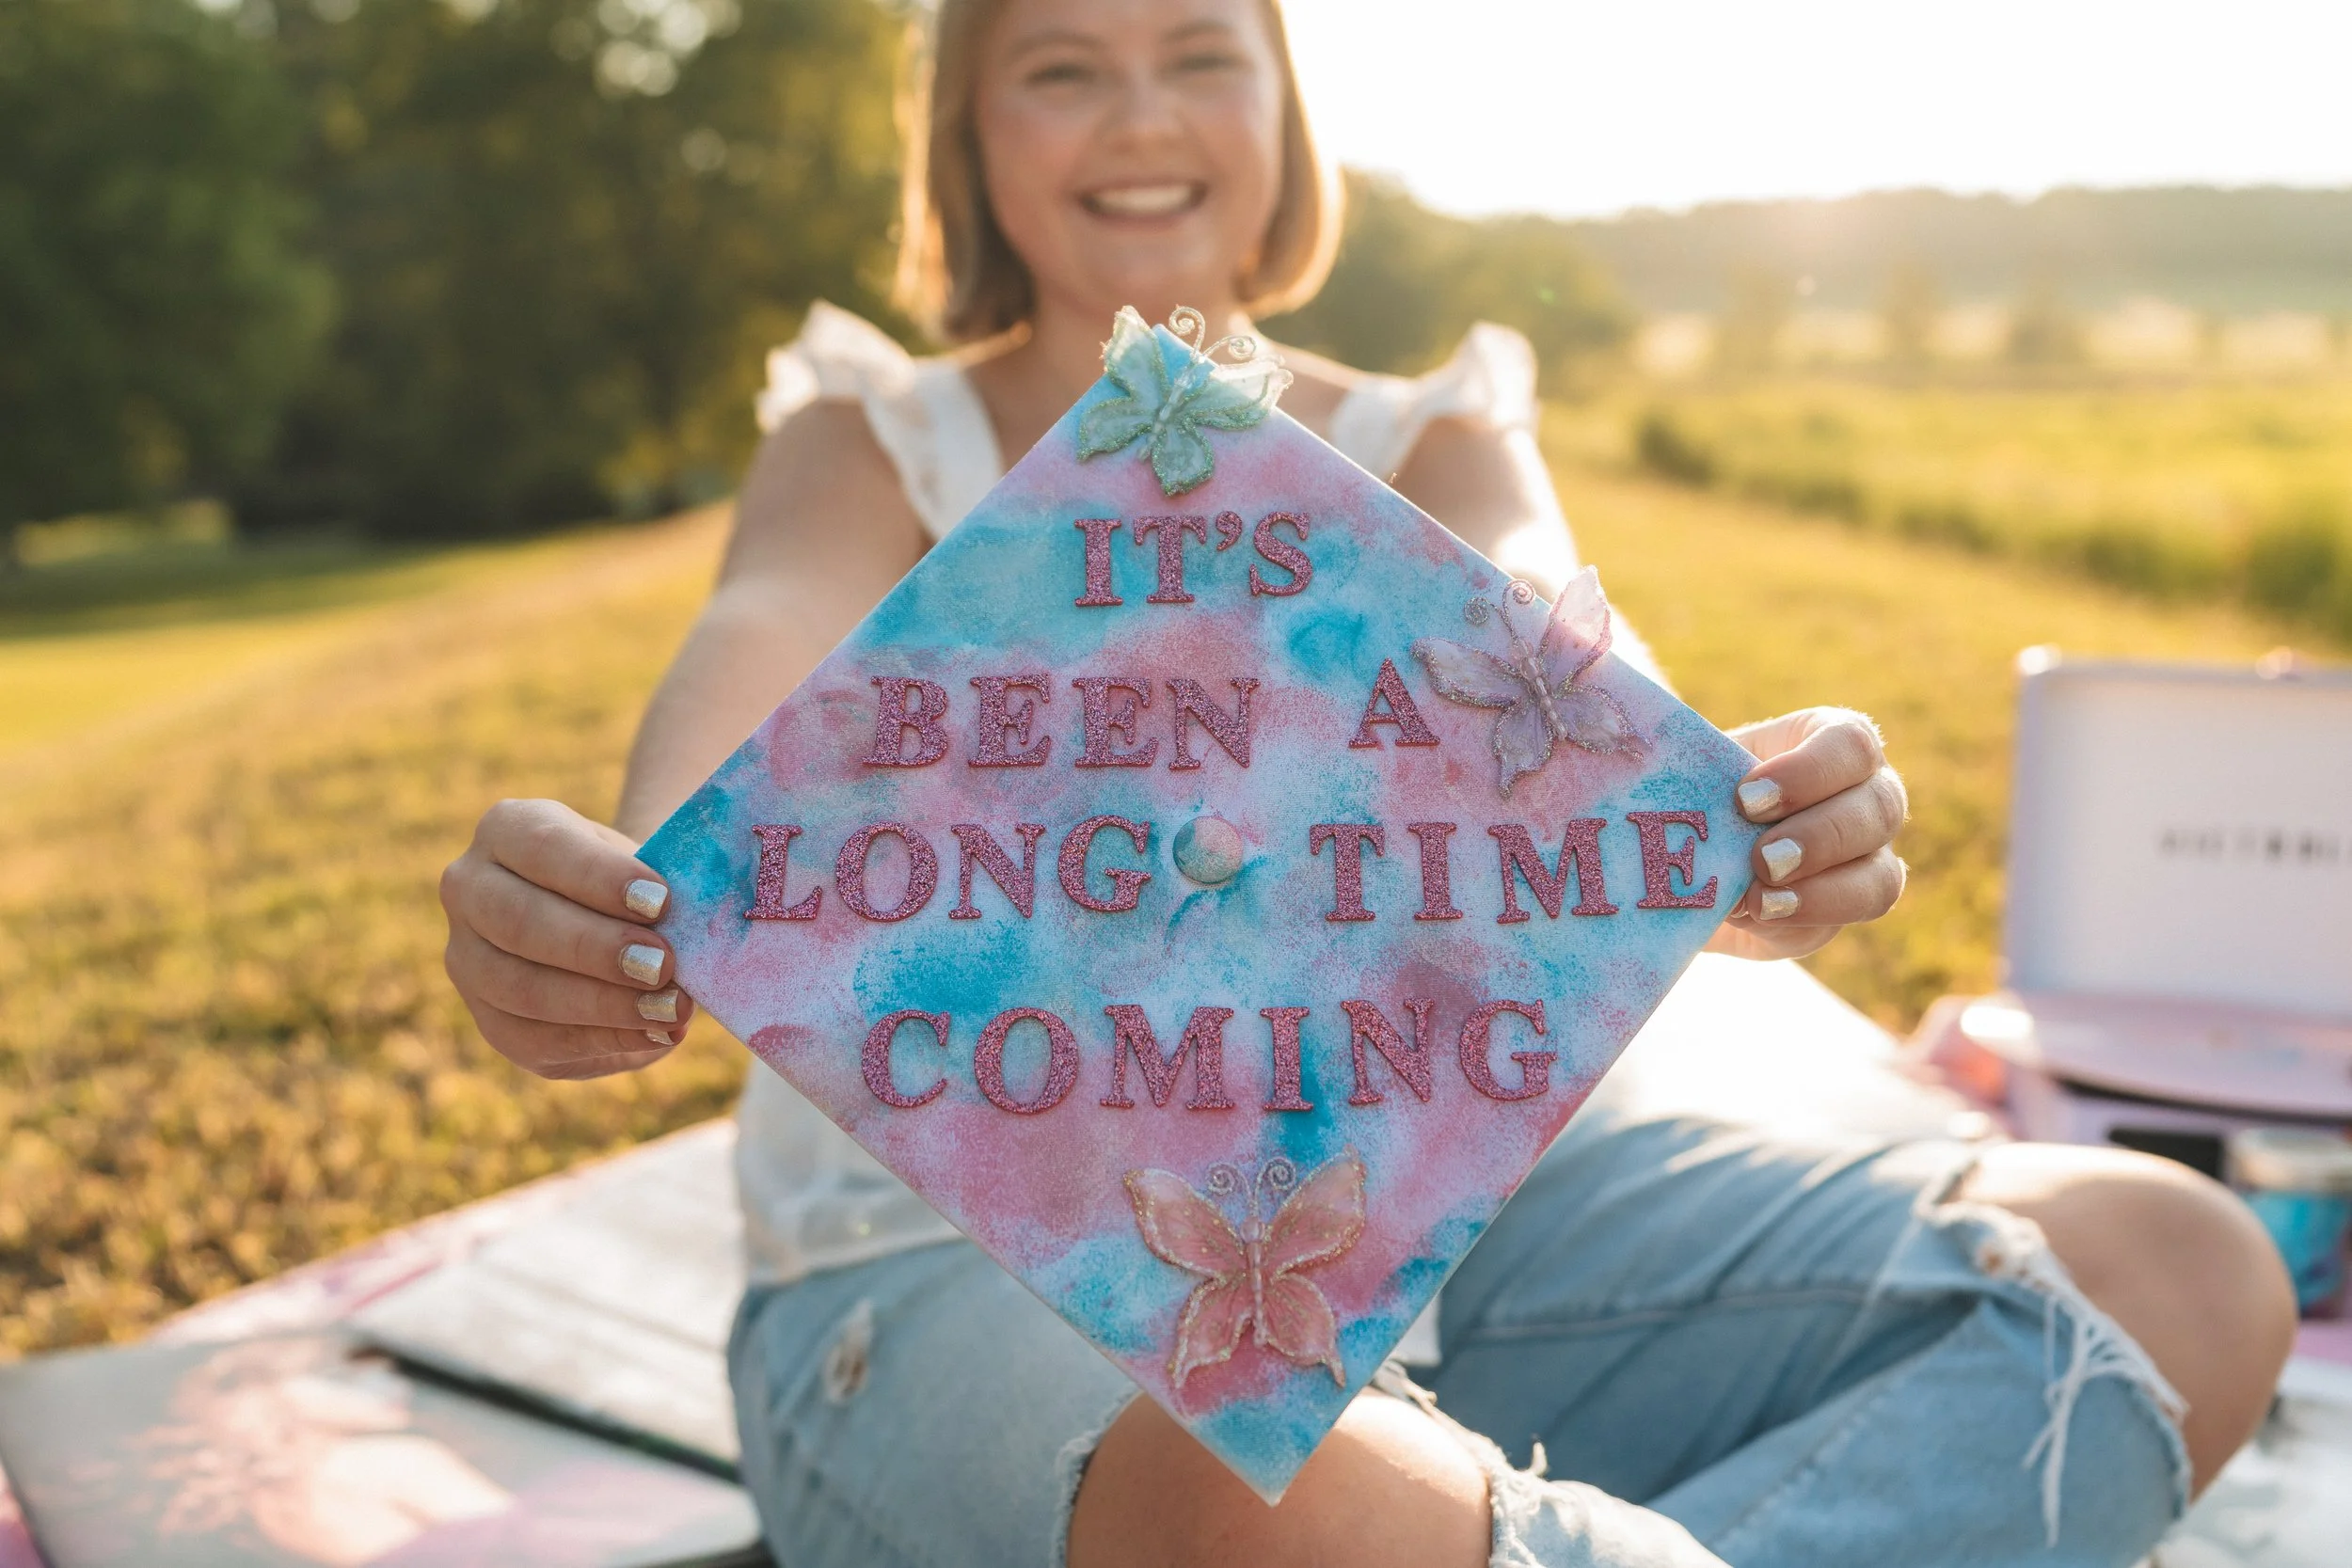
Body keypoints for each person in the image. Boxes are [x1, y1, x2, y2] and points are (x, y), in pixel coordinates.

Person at [437, 2, 2296, 1563]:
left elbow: (1584, 676)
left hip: (1483, 1218)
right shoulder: (871, 442)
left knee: (2171, 1269)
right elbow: (749, 658)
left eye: (1200, 54)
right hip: (950, 1265)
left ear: (1283, 103)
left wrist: (1730, 821)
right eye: (1061, 69)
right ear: (969, 136)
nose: (1142, 118)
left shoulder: (1429, 434)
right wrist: (616, 900)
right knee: (1282, 1502)